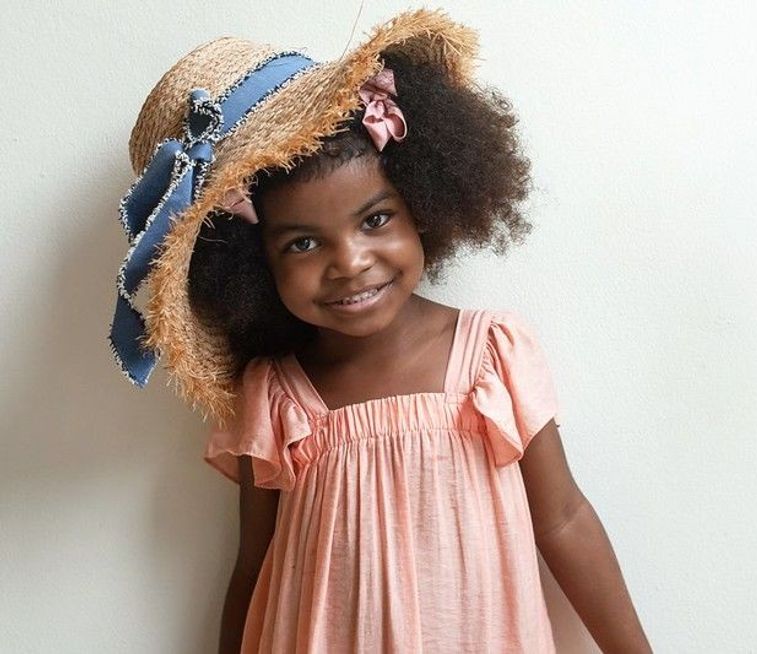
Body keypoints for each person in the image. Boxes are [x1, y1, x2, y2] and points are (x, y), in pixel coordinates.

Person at [109, 9, 652, 653]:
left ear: (423, 205)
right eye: (303, 242)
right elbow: (254, 563)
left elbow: (562, 517)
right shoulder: (277, 396)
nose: (350, 262)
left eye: (375, 220)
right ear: (254, 265)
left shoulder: (491, 357)